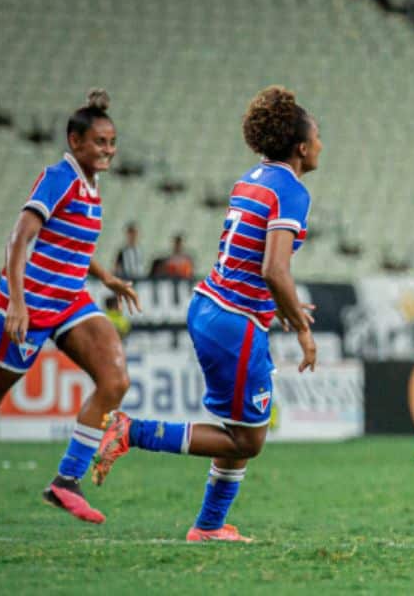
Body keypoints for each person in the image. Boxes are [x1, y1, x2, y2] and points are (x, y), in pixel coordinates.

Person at [92, 86, 321, 543]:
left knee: (239, 429)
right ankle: (130, 430)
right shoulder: (292, 191)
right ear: (301, 146)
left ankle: (210, 526)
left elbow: (249, 262)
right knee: (247, 440)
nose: (321, 144)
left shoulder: (251, 178)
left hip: (214, 307)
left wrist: (280, 304)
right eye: (318, 136)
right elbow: (273, 269)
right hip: (233, 321)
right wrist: (301, 329)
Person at [0, 89, 141, 524]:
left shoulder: (91, 182)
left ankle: (65, 482)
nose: (109, 149)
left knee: (114, 379)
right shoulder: (58, 177)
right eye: (100, 142)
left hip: (70, 302)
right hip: (28, 306)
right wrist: (16, 302)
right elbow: (19, 239)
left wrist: (105, 277)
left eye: (112, 142)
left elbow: (73, 243)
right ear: (75, 142)